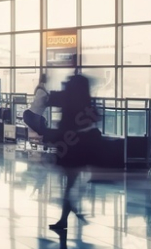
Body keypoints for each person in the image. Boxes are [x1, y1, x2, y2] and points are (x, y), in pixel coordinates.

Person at [46, 74, 100, 230]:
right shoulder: (86, 103)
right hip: (81, 148)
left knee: (69, 185)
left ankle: (67, 215)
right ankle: (69, 212)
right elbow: (94, 118)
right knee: (70, 185)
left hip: (70, 149)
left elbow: (63, 124)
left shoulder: (69, 102)